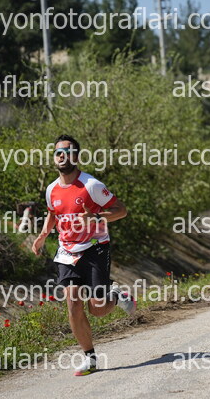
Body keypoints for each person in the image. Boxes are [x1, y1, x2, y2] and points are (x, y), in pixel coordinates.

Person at [32, 135, 135, 376]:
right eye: (58, 152)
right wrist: (42, 236)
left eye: (67, 152)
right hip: (67, 251)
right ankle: (90, 358)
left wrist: (96, 217)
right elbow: (53, 213)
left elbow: (121, 211)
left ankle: (115, 296)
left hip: (94, 248)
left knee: (97, 308)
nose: (62, 156)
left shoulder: (91, 185)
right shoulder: (51, 189)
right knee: (73, 305)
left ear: (76, 157)